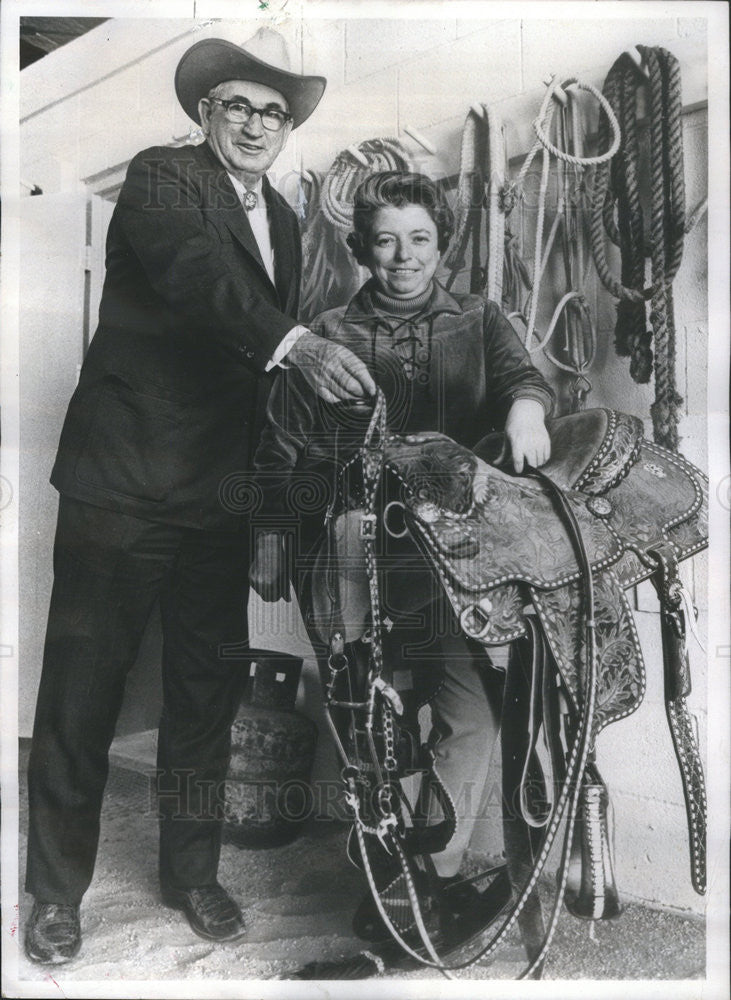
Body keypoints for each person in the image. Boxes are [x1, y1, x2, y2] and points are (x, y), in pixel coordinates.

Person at [24, 28, 376, 966]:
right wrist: (298, 344)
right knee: (81, 695)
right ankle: (55, 894)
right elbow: (199, 279)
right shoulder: (163, 180)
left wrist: (266, 516)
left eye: (274, 110)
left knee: (204, 697)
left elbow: (259, 388)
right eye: (239, 106)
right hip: (123, 485)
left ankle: (192, 873)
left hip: (218, 498)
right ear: (203, 114)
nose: (258, 122)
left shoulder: (294, 223)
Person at [249, 171, 554, 942]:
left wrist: (525, 405)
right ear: (362, 248)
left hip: (453, 549)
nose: (403, 255)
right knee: (371, 721)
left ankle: (434, 874)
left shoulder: (479, 319)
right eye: (385, 240)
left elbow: (521, 375)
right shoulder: (329, 333)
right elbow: (278, 444)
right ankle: (389, 876)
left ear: (440, 243)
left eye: (419, 238)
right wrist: (270, 533)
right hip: (355, 539)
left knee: (473, 710)